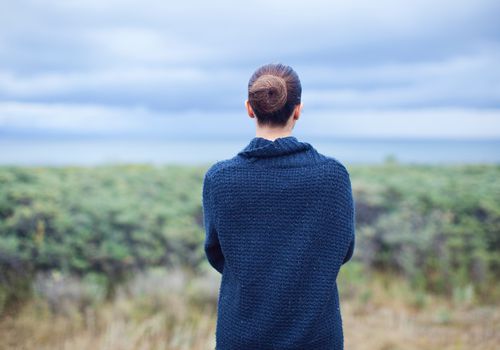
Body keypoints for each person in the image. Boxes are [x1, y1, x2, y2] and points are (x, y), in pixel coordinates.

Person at [202, 62, 356, 350]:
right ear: (298, 109)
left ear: (250, 108)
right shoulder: (333, 176)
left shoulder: (220, 179)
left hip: (241, 336)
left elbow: (216, 253)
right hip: (316, 337)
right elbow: (343, 251)